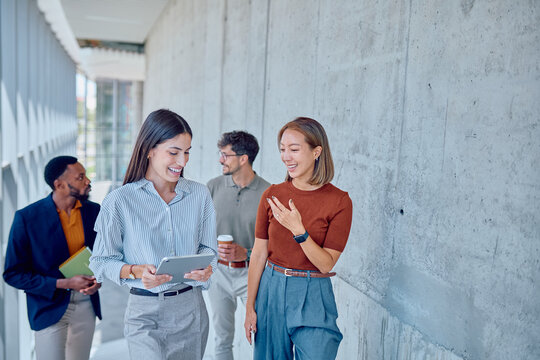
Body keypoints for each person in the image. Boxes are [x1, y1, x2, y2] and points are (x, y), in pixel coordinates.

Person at [89, 109, 217, 360]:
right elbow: (100, 262)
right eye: (174, 152)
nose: (182, 161)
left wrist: (206, 267)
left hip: (191, 310)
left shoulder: (200, 195)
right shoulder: (119, 201)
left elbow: (208, 249)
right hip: (144, 312)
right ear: (149, 149)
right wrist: (136, 271)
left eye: (187, 152)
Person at [244, 117, 353, 360]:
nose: (286, 156)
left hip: (313, 291)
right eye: (282, 150)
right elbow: (259, 253)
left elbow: (326, 263)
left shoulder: (340, 202)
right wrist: (250, 306)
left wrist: (299, 232)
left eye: (294, 149)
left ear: (317, 152)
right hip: (271, 289)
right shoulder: (272, 195)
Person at [3, 156, 102, 360]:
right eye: (80, 177)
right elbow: (13, 274)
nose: (88, 181)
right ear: (59, 185)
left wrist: (98, 280)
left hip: (86, 303)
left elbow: (103, 256)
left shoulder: (93, 212)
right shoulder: (28, 218)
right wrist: (64, 283)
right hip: (48, 306)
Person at [207, 131, 270, 360]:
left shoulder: (268, 193)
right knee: (222, 338)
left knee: (262, 335)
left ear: (243, 158)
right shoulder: (212, 187)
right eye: (220, 154)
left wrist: (248, 252)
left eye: (225, 155)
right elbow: (197, 233)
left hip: (252, 275)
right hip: (219, 274)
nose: (220, 159)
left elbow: (277, 245)